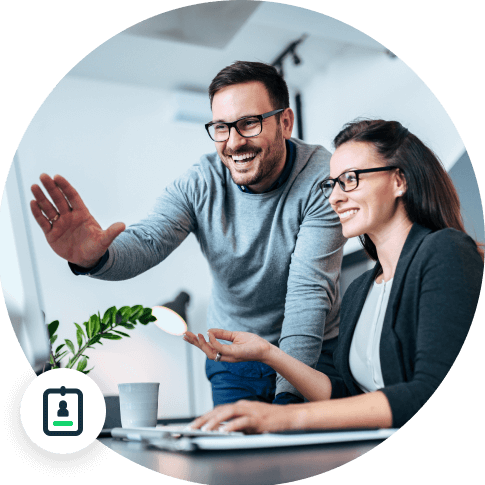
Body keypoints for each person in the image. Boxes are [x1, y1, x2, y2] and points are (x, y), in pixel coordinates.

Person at [29, 61, 346, 407]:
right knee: (236, 460)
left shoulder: (323, 180)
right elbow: (149, 240)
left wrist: (289, 405)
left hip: (310, 353)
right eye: (222, 127)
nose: (234, 142)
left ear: (285, 122)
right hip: (232, 356)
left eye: (249, 123)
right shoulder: (201, 183)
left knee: (308, 455)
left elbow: (308, 295)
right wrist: (95, 257)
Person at [184, 119, 484, 433]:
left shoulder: (445, 252)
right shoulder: (358, 291)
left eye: (350, 179)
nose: (334, 198)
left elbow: (430, 390)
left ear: (400, 181)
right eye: (332, 183)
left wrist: (283, 418)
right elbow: (350, 398)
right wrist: (267, 353)